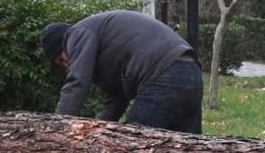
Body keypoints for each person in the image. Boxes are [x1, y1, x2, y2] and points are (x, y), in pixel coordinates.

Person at [40, 10, 203, 133]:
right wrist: (98, 130)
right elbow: (117, 99)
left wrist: (59, 127)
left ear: (64, 42)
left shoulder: (77, 33)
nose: (66, 64)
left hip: (163, 74)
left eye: (61, 58)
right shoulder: (106, 44)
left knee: (136, 147)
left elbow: (77, 83)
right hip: (191, 71)